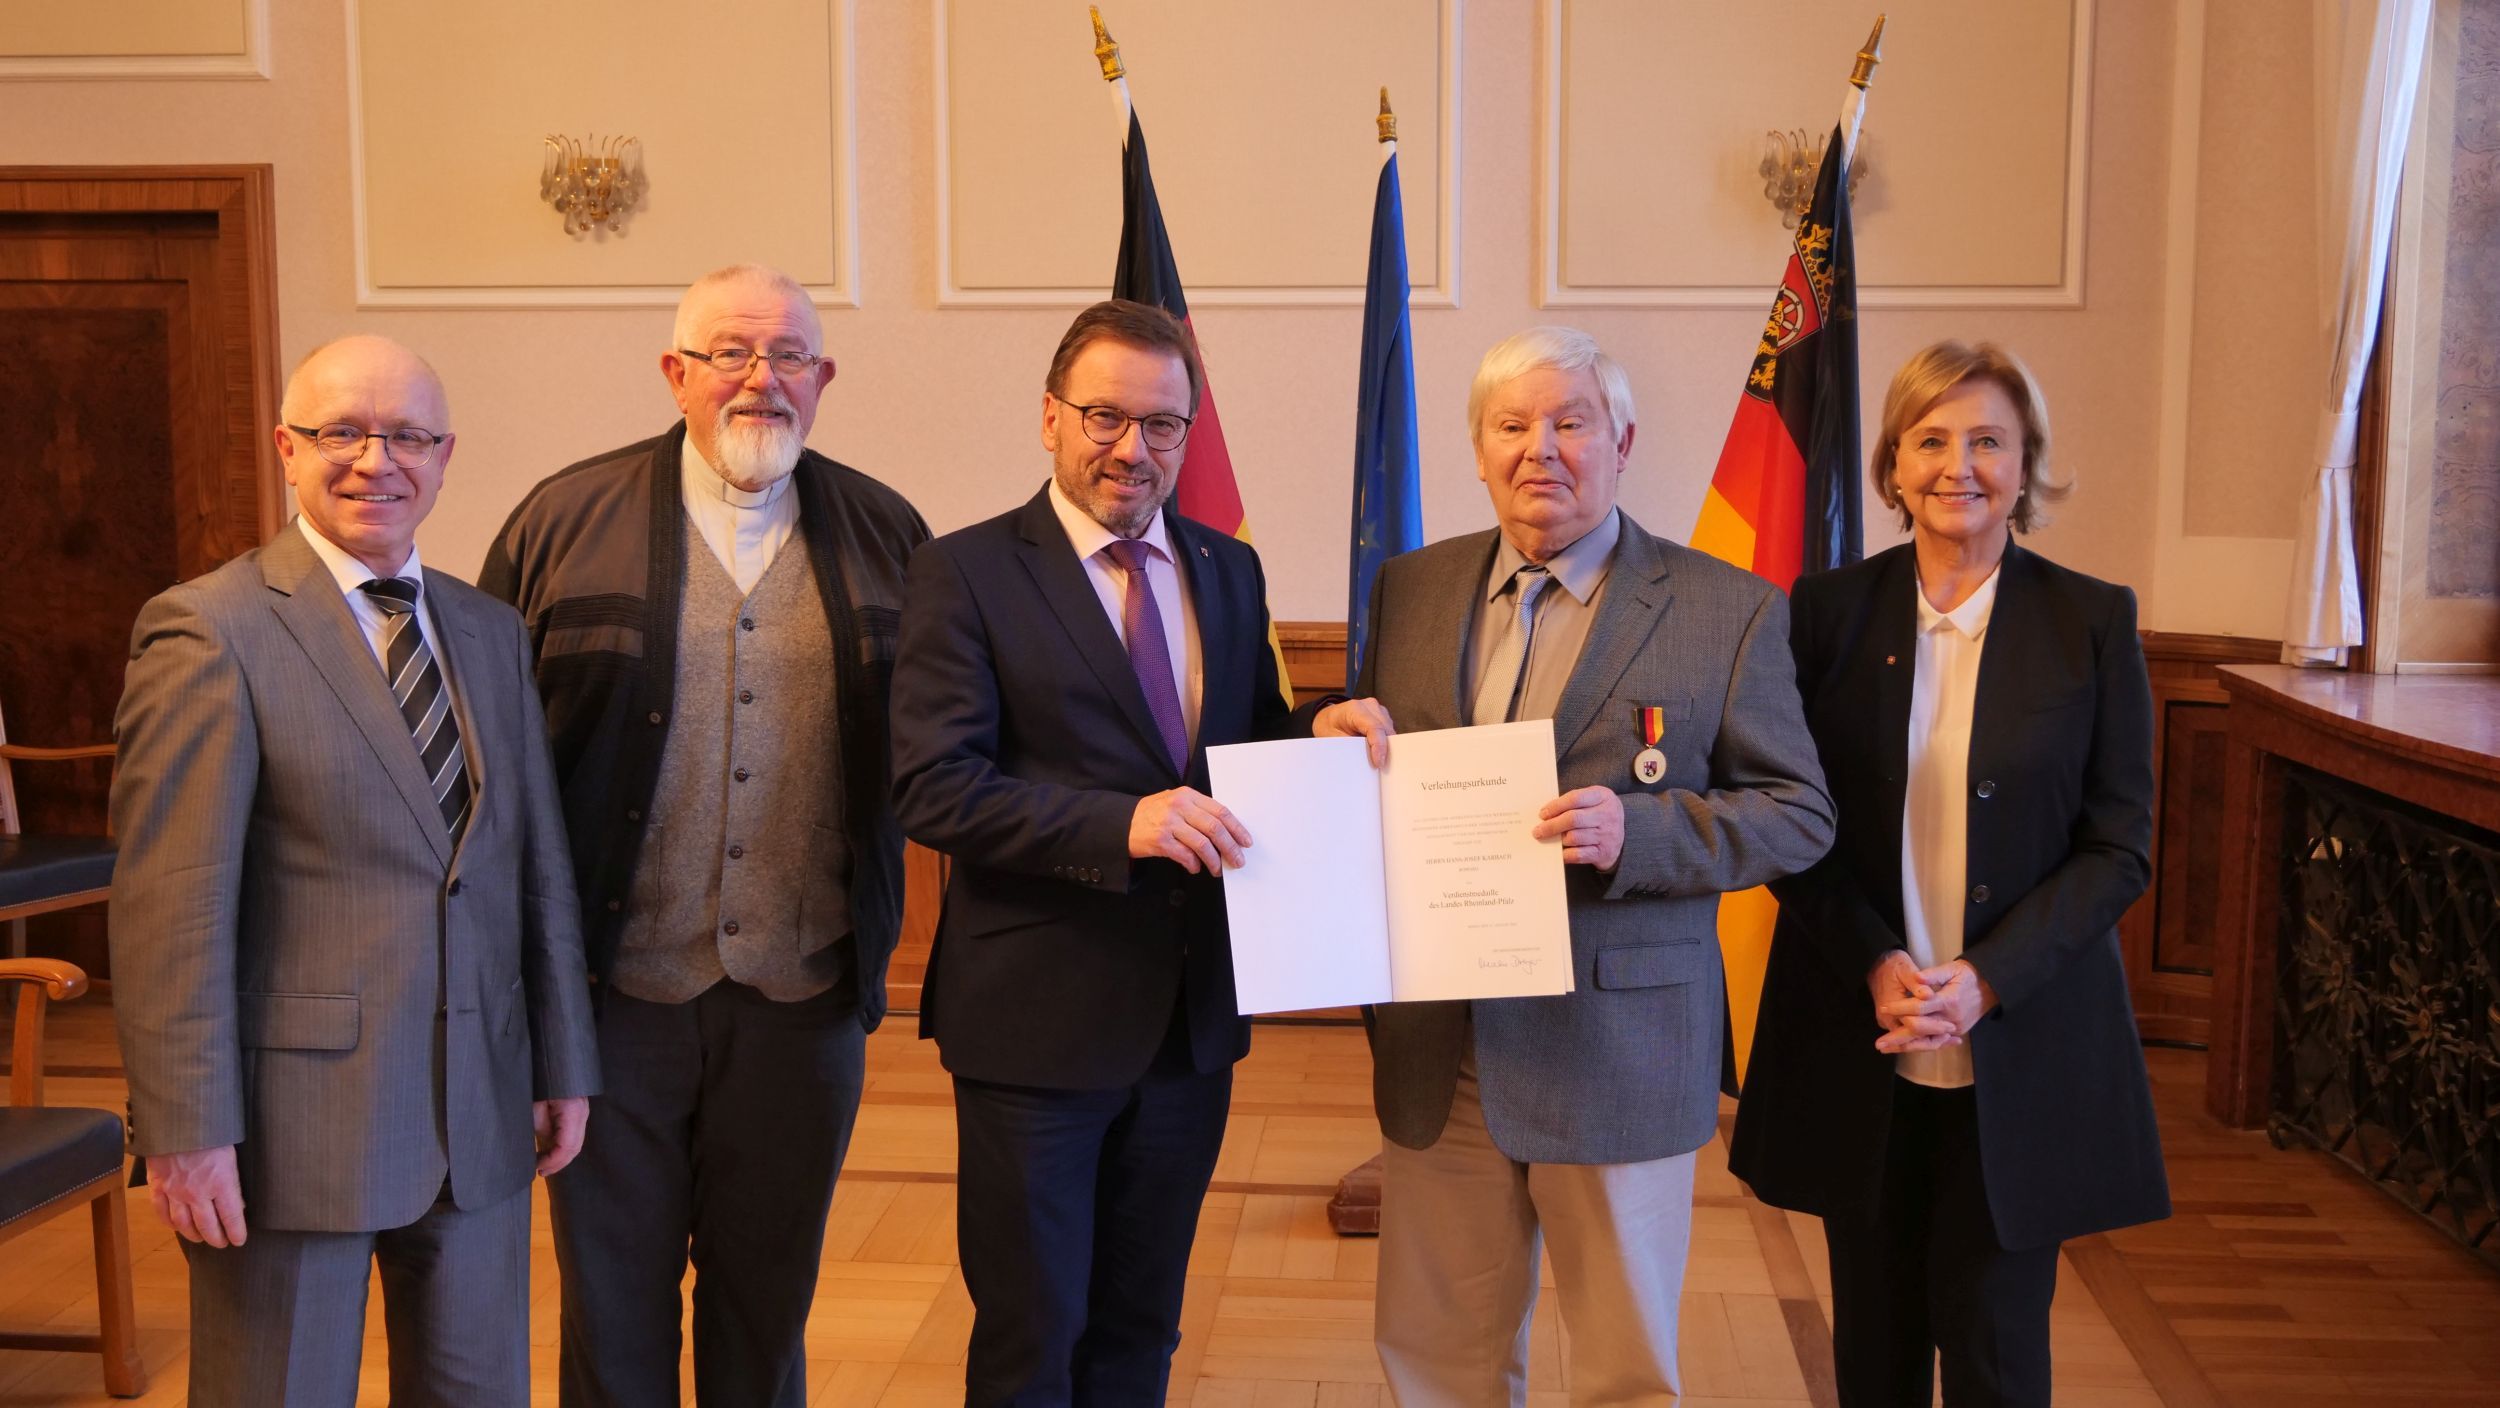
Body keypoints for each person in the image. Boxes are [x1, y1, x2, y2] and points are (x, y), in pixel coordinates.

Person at [890, 299, 1383, 1406]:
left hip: (1189, 1020)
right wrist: (1120, 823)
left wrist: (1318, 733)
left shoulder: (1224, 569)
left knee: (1139, 1328)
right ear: (1051, 419)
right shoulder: (963, 572)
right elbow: (934, 788)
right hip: (1033, 1026)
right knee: (1033, 1335)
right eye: (1104, 416)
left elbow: (1241, 748)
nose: (1132, 447)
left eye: (1163, 424)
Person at [108, 335, 600, 1407]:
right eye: (342, 432)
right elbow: (169, 910)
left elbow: (533, 868)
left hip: (479, 1120)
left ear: (444, 454)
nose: (376, 459)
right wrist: (185, 1132)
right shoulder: (209, 628)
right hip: (291, 1135)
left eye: (407, 435)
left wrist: (562, 1055)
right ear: (287, 448)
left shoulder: (488, 629)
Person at [1353, 325, 1834, 1404]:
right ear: (1477, 448)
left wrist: (1642, 835)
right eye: (1512, 425)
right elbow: (1386, 768)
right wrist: (1333, 744)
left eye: (1571, 422)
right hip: (1450, 1045)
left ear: (1621, 442)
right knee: (1435, 1355)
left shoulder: (1728, 608)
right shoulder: (1411, 590)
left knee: (1621, 1370)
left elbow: (1799, 814)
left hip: (1618, 1048)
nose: (1542, 449)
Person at [477, 263, 929, 1408]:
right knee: (613, 1308)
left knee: (766, 1305)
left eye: (787, 357)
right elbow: (491, 773)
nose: (759, 379)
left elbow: (958, 740)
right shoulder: (559, 523)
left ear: (823, 379)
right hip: (611, 1001)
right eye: (730, 352)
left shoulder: (890, 535)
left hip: (803, 998)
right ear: (675, 372)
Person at [1729, 339, 2169, 1407]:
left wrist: (1985, 978)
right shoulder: (1824, 613)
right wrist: (1877, 957)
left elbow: (2120, 843)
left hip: (2023, 1044)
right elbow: (1794, 824)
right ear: (1893, 462)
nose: (1956, 464)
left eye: (1987, 440)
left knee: (1994, 1348)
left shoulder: (2089, 620)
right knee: (1873, 1347)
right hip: (1858, 1031)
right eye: (1931, 438)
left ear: (2026, 465)